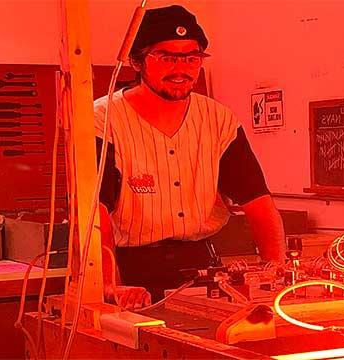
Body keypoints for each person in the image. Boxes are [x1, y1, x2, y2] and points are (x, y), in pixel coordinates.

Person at [94, 5, 286, 309]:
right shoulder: (103, 120)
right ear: (137, 62)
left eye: (191, 57)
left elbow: (258, 203)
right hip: (129, 269)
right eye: (166, 57)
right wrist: (109, 285)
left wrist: (277, 272)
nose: (180, 68)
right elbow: (96, 214)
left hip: (201, 267)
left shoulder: (218, 119)